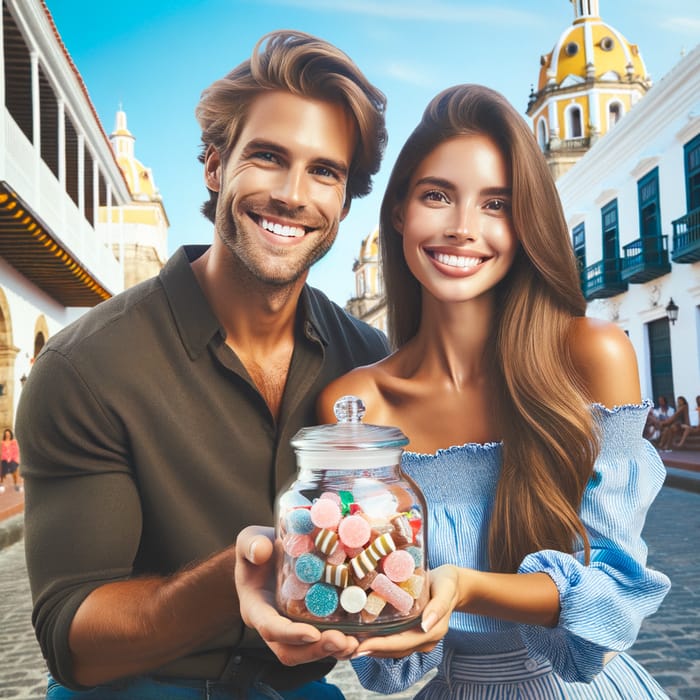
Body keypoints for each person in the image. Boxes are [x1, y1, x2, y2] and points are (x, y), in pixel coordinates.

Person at [16, 30, 389, 699]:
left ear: (345, 199)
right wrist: (241, 578)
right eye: (268, 157)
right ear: (215, 167)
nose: (294, 195)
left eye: (325, 171)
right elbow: (72, 639)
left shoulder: (368, 360)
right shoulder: (86, 367)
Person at [317, 84, 671, 698]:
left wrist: (466, 587)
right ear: (400, 210)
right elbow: (381, 642)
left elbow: (613, 592)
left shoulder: (593, 356)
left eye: (496, 204)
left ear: (525, 220)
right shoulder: (357, 405)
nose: (461, 228)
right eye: (437, 197)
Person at [0, 428, 21, 492]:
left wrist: (11, 458)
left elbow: (16, 451)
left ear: (11, 434)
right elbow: (1, 451)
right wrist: (6, 458)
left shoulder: (14, 442)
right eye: (6, 434)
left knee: (14, 471)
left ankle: (16, 485)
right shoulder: (2, 442)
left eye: (8, 434)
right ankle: (1, 485)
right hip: (4, 459)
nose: (7, 435)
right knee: (2, 472)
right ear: (4, 435)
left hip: (13, 459)